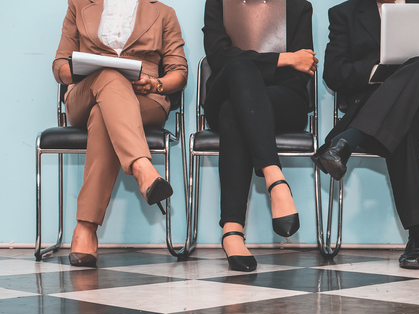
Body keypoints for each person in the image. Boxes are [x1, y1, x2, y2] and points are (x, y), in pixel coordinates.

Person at [313, 0, 419, 269]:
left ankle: (347, 141)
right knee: (404, 118)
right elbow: (334, 72)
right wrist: (381, 71)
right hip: (388, 114)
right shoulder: (345, 13)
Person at [52, 0, 188, 267]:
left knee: (104, 115)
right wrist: (89, 68)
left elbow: (179, 73)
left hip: (144, 97)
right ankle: (141, 166)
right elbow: (60, 66)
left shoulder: (164, 12)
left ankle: (85, 227)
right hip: (86, 90)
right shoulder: (79, 5)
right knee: (109, 75)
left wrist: (156, 83)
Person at [203, 0, 316, 272]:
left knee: (236, 110)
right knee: (239, 70)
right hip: (225, 89)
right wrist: (285, 58)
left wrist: (255, 74)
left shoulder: (299, 6)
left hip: (283, 100)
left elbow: (303, 70)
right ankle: (275, 180)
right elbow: (219, 57)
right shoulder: (218, 2)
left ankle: (232, 231)